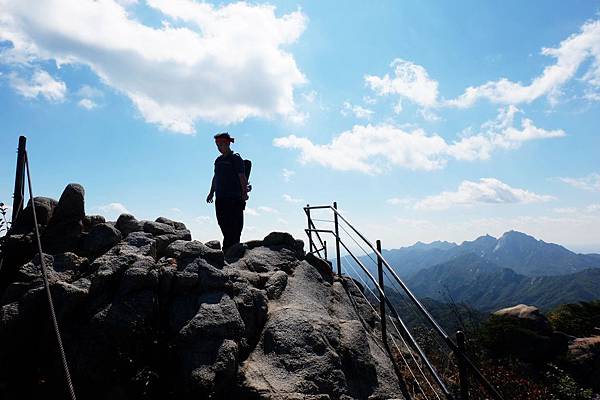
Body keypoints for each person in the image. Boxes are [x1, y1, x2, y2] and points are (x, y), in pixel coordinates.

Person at [206, 132, 249, 252]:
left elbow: (242, 177)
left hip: (234, 197)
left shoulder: (236, 158)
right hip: (220, 197)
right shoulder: (218, 160)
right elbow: (216, 177)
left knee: (235, 225)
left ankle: (232, 250)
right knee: (223, 224)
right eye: (217, 145)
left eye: (221, 144)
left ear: (227, 144)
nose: (219, 148)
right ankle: (228, 250)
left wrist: (244, 193)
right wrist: (211, 192)